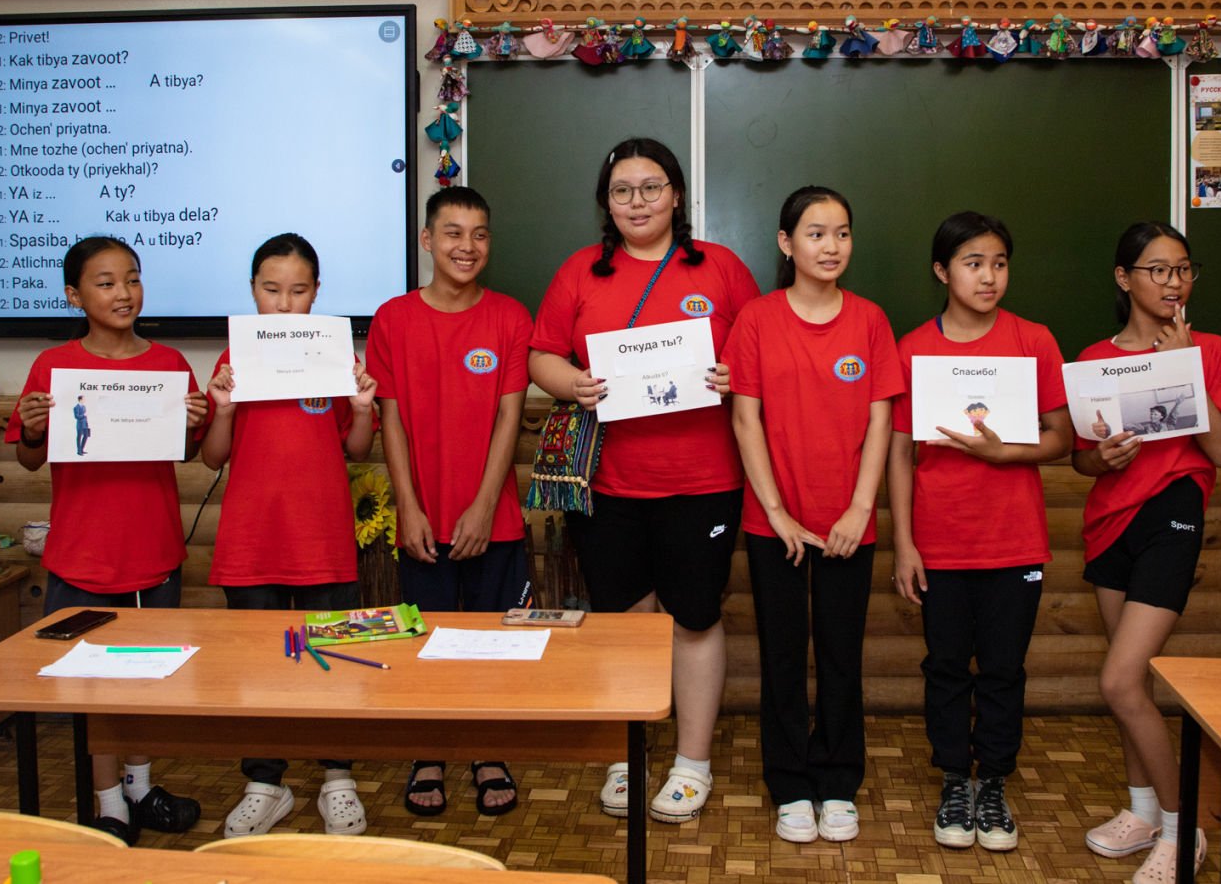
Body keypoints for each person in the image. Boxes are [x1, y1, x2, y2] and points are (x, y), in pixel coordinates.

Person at [528, 137, 759, 824]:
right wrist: (572, 382)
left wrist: (735, 374)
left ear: (676, 195)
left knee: (695, 617)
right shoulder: (580, 271)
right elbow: (541, 354)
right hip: (610, 483)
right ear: (606, 202)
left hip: (704, 480)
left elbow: (760, 347)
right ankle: (627, 756)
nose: (638, 202)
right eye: (622, 190)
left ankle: (692, 763)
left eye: (651, 187)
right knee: (625, 621)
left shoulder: (720, 267)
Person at [6, 236, 209, 843]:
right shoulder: (54, 366)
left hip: (153, 551)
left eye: (133, 278)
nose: (124, 293)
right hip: (83, 554)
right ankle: (108, 801)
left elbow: (187, 451)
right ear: (74, 295)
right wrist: (34, 429)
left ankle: (140, 787)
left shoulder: (169, 362)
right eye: (106, 282)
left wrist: (194, 423)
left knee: (146, 678)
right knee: (93, 685)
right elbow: (28, 459)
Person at [887, 211, 1072, 854]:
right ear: (942, 271)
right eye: (973, 264)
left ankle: (991, 782)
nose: (989, 276)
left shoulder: (1033, 340)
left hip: (1013, 540)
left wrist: (1005, 454)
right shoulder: (912, 348)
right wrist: (905, 544)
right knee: (944, 666)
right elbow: (900, 453)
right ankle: (952, 781)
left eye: (998, 263)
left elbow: (1062, 437)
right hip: (939, 541)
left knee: (1002, 669)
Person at [725, 187, 902, 844]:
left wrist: (860, 507)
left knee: (840, 653)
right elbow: (745, 418)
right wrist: (776, 512)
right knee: (781, 653)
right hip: (773, 521)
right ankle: (791, 784)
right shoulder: (756, 319)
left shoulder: (871, 320)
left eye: (843, 233)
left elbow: (882, 419)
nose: (832, 246)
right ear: (786, 242)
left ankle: (838, 780)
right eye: (816, 233)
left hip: (848, 521)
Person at [1072, 222, 1221, 883]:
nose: (1174, 282)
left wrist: (1183, 368)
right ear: (1125, 278)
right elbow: (1082, 459)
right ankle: (1142, 809)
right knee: (1134, 685)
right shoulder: (1095, 358)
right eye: (1158, 269)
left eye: (1183, 269)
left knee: (1118, 679)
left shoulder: (1212, 350)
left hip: (1172, 515)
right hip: (1109, 521)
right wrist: (1102, 457)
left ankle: (1182, 829)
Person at [201, 233, 379, 837]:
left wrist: (361, 407)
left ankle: (338, 777)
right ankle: (265, 782)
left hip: (323, 539)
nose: (283, 303)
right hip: (252, 541)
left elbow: (357, 449)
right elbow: (212, 458)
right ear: (252, 290)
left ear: (317, 292)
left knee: (332, 658)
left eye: (298, 290)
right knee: (259, 667)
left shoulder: (332, 357)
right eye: (271, 289)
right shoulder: (233, 359)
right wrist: (224, 410)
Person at [365, 187, 534, 818]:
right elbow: (390, 419)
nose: (468, 246)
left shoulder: (511, 317)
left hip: (496, 519)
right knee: (425, 640)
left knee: (492, 641)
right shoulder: (392, 319)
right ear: (427, 240)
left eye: (480, 234)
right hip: (421, 517)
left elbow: (509, 418)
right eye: (454, 233)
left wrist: (485, 506)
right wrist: (408, 507)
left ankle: (488, 750)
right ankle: (430, 752)